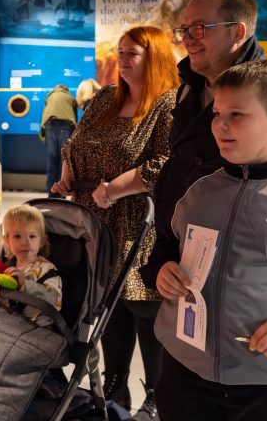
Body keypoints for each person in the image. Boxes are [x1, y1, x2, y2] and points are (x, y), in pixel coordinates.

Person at [153, 60, 267, 421]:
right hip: (185, 371)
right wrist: (161, 269)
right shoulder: (194, 183)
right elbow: (165, 245)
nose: (219, 125)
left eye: (237, 114)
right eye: (217, 113)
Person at [53, 25, 179, 420]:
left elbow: (163, 163)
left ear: (154, 56)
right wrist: (68, 172)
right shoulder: (106, 97)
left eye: (132, 54)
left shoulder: (168, 102)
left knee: (143, 304)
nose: (121, 60)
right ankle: (114, 384)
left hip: (138, 217)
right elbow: (75, 141)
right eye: (120, 52)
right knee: (108, 303)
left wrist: (114, 190)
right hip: (94, 217)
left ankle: (158, 394)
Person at [141, 0, 267, 292]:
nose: (187, 39)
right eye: (184, 29)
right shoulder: (189, 88)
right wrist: (164, 259)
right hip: (184, 271)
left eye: (199, 29)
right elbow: (177, 173)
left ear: (237, 31)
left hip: (252, 290)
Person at [40, 84, 78, 198]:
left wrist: (42, 133)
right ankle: (62, 192)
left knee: (52, 160)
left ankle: (51, 192)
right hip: (65, 126)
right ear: (66, 90)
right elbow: (74, 117)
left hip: (49, 126)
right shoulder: (70, 98)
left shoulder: (49, 96)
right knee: (64, 161)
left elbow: (44, 115)